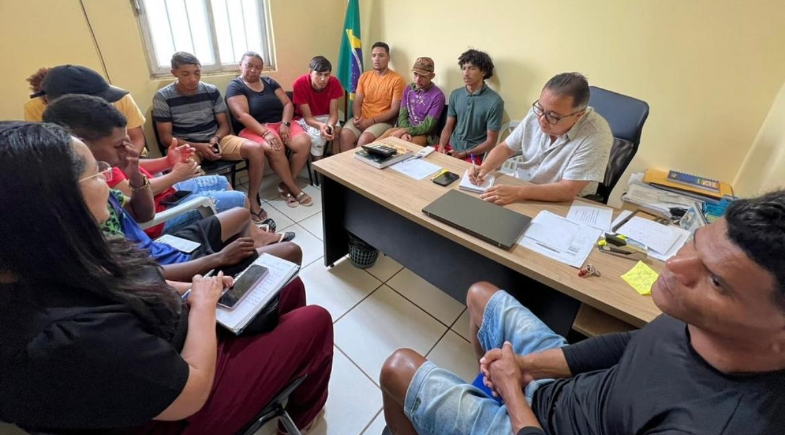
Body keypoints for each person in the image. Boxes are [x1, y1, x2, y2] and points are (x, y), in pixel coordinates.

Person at [0, 121, 333, 435]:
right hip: (178, 407)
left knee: (285, 287)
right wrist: (202, 305)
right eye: (96, 175)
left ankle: (280, 366)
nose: (107, 180)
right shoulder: (63, 337)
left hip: (165, 338)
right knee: (315, 320)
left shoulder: (57, 252)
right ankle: (304, 415)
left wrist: (196, 289)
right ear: (56, 202)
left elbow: (129, 280)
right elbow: (190, 394)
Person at [380, 191, 785, 435]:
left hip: (539, 424)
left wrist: (513, 399)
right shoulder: (702, 321)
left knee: (398, 368)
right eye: (695, 243)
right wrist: (523, 367)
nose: (675, 268)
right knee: (481, 295)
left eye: (715, 281)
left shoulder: (720, 424)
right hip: (558, 394)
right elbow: (632, 345)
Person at [43, 94, 286, 241]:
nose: (127, 146)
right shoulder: (93, 176)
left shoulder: (104, 161)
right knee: (237, 199)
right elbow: (136, 203)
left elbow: (135, 169)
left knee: (222, 182)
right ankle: (248, 235)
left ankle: (247, 234)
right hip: (159, 211)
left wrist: (168, 163)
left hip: (161, 195)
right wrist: (174, 175)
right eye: (120, 143)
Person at [154, 52, 272, 223]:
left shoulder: (210, 90)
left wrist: (215, 139)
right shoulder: (163, 97)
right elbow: (166, 138)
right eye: (185, 74)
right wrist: (199, 147)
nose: (193, 79)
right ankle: (211, 216)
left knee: (255, 149)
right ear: (174, 73)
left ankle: (252, 199)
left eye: (197, 73)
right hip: (186, 145)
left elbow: (224, 125)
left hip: (215, 140)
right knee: (185, 168)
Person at [471, 73, 613, 205]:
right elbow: (506, 148)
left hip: (562, 202)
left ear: (578, 115)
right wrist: (485, 168)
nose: (542, 119)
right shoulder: (538, 113)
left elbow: (568, 189)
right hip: (523, 187)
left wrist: (518, 192)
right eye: (540, 108)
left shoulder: (596, 134)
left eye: (553, 116)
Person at [226, 51, 314, 209]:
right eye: (249, 66)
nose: (254, 70)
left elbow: (287, 104)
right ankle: (293, 188)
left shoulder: (269, 82)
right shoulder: (235, 87)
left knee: (304, 142)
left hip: (280, 123)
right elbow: (242, 115)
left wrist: (285, 123)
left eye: (258, 67)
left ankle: (285, 184)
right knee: (275, 147)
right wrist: (265, 133)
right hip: (254, 127)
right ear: (240, 65)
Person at [23, 65, 148, 153]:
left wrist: (127, 161)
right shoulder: (36, 109)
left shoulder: (119, 98)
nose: (101, 105)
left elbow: (136, 138)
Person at [437, 49, 503, 164]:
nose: (466, 73)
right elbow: (448, 126)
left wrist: (465, 153)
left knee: (461, 177)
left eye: (472, 68)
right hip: (451, 147)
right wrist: (441, 146)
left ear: (483, 72)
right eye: (464, 68)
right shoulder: (456, 94)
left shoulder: (495, 101)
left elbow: (491, 142)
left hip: (473, 154)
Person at [339, 41, 406, 151]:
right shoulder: (365, 76)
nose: (376, 59)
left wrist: (371, 121)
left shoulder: (397, 80)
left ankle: (357, 168)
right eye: (374, 55)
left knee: (364, 139)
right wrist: (357, 117)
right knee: (345, 134)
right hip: (362, 118)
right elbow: (357, 101)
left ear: (388, 58)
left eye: (381, 55)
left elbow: (394, 110)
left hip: (382, 122)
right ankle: (347, 167)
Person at [378, 57, 445, 146]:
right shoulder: (408, 89)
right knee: (377, 143)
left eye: (423, 76)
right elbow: (402, 116)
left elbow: (427, 126)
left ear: (432, 76)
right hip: (403, 129)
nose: (417, 79)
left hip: (423, 134)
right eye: (415, 74)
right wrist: (404, 132)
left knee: (404, 148)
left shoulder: (438, 96)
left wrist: (406, 131)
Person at [292, 55, 344, 160]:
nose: (323, 79)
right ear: (310, 72)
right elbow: (308, 118)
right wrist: (321, 126)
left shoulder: (334, 82)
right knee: (318, 136)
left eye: (326, 74)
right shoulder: (299, 84)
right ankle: (319, 169)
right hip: (304, 118)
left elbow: (333, 113)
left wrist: (329, 126)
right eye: (319, 74)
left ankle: (335, 163)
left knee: (337, 131)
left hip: (326, 116)